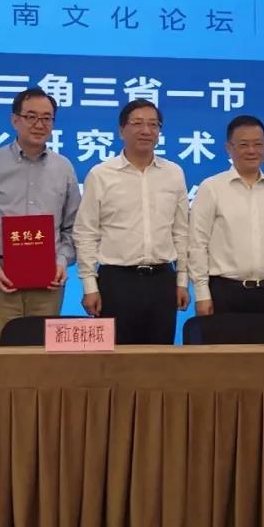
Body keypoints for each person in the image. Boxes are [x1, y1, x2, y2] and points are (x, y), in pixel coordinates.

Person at [0, 87, 80, 346]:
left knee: (43, 359)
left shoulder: (63, 167)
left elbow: (72, 227)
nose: (39, 124)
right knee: (1, 357)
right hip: (0, 278)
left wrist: (62, 262)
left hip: (48, 281)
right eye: (31, 116)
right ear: (15, 119)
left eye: (47, 118)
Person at [73, 99, 190, 344]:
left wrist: (181, 281)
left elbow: (180, 232)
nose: (146, 130)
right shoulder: (101, 174)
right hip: (116, 282)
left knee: (160, 357)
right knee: (116, 358)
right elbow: (86, 233)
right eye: (137, 123)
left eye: (153, 124)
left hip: (162, 281)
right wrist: (89, 286)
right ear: (121, 130)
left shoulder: (174, 173)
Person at [188, 115, 264, 319]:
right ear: (229, 148)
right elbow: (197, 244)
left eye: (258, 144)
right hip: (224, 292)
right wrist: (201, 294)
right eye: (244, 145)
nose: (252, 151)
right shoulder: (212, 187)